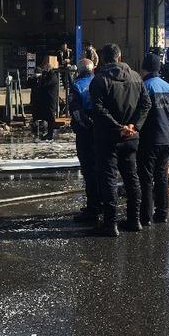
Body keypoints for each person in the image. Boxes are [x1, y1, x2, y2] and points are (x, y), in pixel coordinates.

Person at [90, 43, 151, 237]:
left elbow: (98, 110)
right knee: (131, 177)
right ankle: (134, 220)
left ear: (103, 58)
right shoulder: (135, 77)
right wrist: (134, 125)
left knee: (108, 179)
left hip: (108, 137)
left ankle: (110, 224)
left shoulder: (99, 79)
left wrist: (119, 127)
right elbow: (146, 104)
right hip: (131, 137)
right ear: (119, 56)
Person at [138, 54, 169, 225]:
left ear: (144, 68)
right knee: (161, 177)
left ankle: (146, 216)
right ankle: (163, 213)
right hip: (165, 138)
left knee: (145, 178)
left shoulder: (144, 87)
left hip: (148, 138)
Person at [69, 58, 100, 225]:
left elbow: (75, 111)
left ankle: (92, 207)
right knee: (100, 169)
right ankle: (100, 203)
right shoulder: (100, 81)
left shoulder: (77, 85)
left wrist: (87, 127)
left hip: (85, 133)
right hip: (102, 131)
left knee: (88, 170)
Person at [30, 63, 59, 140]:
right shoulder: (47, 76)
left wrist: (42, 78)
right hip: (46, 99)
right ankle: (46, 132)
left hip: (51, 99)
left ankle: (50, 133)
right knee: (46, 116)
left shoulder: (53, 76)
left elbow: (46, 85)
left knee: (51, 117)